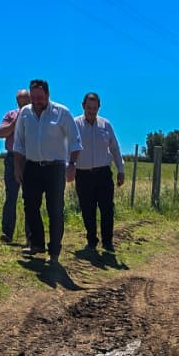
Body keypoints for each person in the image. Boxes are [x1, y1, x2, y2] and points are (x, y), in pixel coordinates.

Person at [10, 78, 81, 264]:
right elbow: (19, 143)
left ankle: (54, 251)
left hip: (55, 168)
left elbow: (75, 142)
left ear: (48, 95)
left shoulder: (62, 113)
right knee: (30, 206)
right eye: (33, 97)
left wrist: (72, 165)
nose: (36, 101)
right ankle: (37, 244)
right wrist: (18, 167)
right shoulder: (24, 114)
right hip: (32, 166)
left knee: (55, 209)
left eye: (40, 97)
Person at [75, 92, 125, 255]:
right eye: (89, 108)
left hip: (103, 173)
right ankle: (91, 240)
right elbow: (66, 148)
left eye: (94, 108)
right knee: (87, 209)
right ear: (83, 106)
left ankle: (108, 242)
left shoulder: (106, 125)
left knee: (107, 208)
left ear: (99, 108)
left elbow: (115, 148)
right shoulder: (75, 124)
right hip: (83, 174)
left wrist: (121, 169)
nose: (91, 111)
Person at [0, 88, 30, 245]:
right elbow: (1, 133)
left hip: (31, 160)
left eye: (26, 102)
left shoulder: (37, 116)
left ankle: (31, 236)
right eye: (20, 102)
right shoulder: (10, 115)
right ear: (17, 102)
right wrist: (15, 122)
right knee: (11, 196)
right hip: (12, 159)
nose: (23, 105)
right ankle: (7, 232)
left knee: (30, 198)